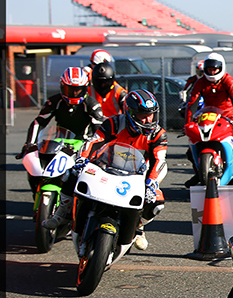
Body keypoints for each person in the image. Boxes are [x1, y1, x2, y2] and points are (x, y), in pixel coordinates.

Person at [42, 90, 168, 251]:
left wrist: (152, 183)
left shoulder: (159, 134)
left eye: (151, 114)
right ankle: (61, 214)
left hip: (139, 175)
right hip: (106, 168)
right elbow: (93, 142)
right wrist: (81, 160)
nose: (148, 119)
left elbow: (160, 161)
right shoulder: (113, 123)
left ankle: (138, 227)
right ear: (129, 113)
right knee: (70, 174)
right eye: (142, 114)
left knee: (157, 202)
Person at [184, 52, 233, 191]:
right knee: (192, 149)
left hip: (228, 119)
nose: (212, 72)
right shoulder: (200, 82)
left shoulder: (228, 80)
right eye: (209, 69)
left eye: (214, 69)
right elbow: (192, 102)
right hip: (207, 117)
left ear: (221, 68)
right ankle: (199, 174)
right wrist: (188, 122)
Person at [17, 67, 104, 177]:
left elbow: (100, 131)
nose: (75, 93)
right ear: (62, 86)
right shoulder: (54, 101)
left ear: (85, 88)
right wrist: (30, 143)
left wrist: (98, 151)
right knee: (39, 164)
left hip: (83, 144)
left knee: (77, 175)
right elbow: (39, 122)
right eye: (70, 89)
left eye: (78, 89)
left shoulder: (92, 105)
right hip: (60, 141)